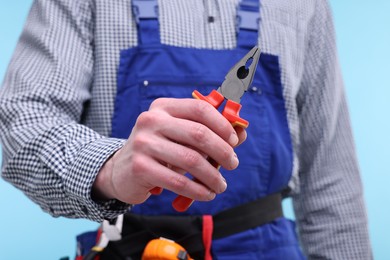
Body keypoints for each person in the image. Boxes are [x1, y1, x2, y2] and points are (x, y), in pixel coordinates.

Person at [0, 0, 371, 259]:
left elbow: (330, 178)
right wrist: (110, 167)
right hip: (131, 248)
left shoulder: (306, 4)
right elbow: (23, 121)